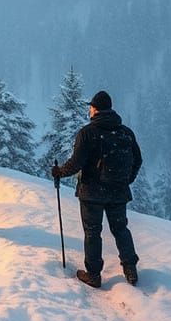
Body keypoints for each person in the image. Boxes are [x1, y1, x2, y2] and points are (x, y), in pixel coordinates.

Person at [52, 90, 142, 288]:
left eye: (91, 107)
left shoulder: (88, 133)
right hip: (118, 192)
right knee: (120, 229)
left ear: (95, 109)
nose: (90, 110)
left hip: (92, 193)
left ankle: (93, 275)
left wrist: (59, 172)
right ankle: (130, 269)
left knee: (92, 232)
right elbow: (138, 160)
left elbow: (76, 163)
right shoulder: (125, 132)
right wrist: (126, 180)